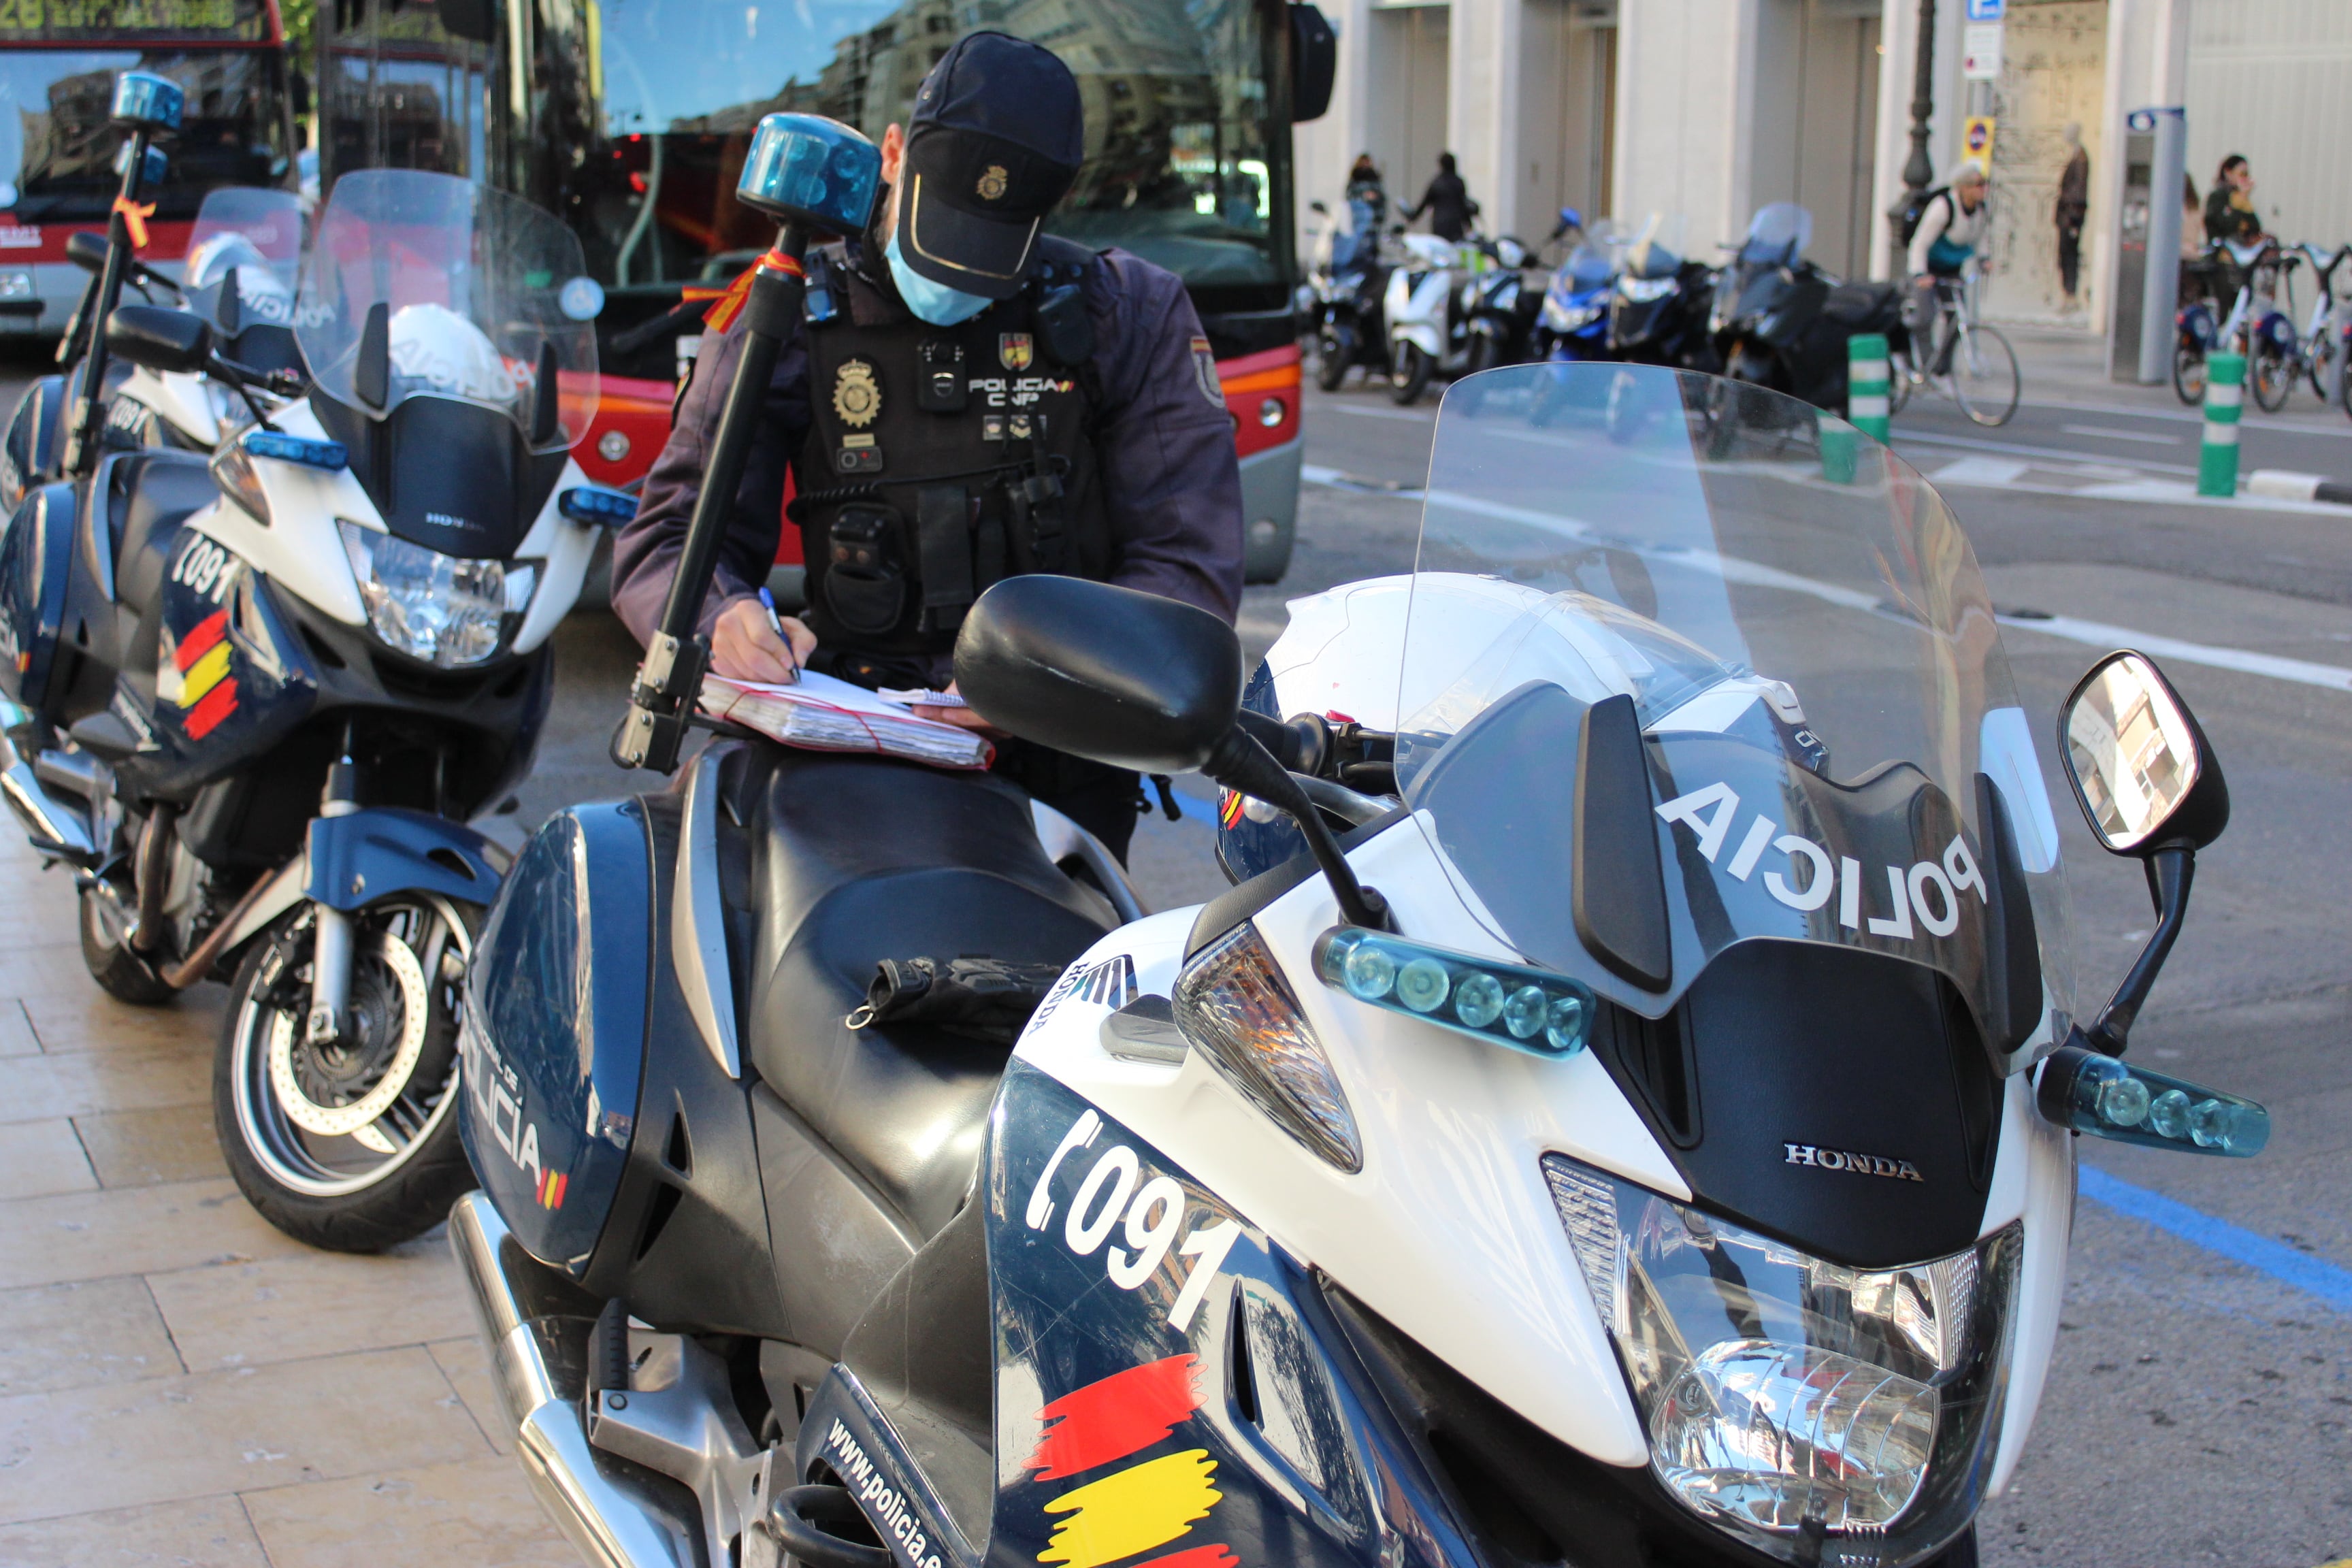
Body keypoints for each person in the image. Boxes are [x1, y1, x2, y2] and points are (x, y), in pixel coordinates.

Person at [610, 31, 1243, 861]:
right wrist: (720, 616)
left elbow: (1185, 574)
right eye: (942, 225)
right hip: (844, 758)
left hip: (1057, 771)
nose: (955, 275)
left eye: (988, 248)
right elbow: (669, 539)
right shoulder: (786, 310)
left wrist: (1046, 684)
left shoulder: (1127, 313)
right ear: (892, 154)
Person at [1904, 161, 1991, 359]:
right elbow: (1920, 244)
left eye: (1985, 183)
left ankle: (1942, 367)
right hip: (1928, 267)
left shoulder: (1980, 210)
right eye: (1978, 184)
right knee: (1925, 317)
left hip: (1952, 268)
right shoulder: (1943, 207)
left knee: (1956, 320)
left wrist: (1984, 259)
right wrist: (1920, 274)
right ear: (1964, 187)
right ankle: (1920, 360)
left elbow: (1980, 236)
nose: (1984, 189)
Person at [1405, 151, 1476, 243]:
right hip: (1455, 225)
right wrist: (1469, 225)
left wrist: (1413, 217)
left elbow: (1424, 203)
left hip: (1439, 224)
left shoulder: (1437, 183)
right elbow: (1463, 205)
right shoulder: (1459, 182)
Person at [2055, 122, 2089, 306]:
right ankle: (2068, 293)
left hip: (2070, 217)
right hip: (2067, 216)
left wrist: (2074, 219)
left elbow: (2079, 191)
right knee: (2065, 254)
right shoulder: (2077, 156)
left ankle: (2071, 294)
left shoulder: (2081, 159)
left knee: (2069, 255)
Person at [2204, 154, 2261, 246]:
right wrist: (2241, 200)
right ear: (2228, 173)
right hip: (2221, 251)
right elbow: (2226, 226)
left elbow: (2255, 227)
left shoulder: (2240, 197)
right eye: (2242, 174)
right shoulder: (2217, 197)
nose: (2245, 178)